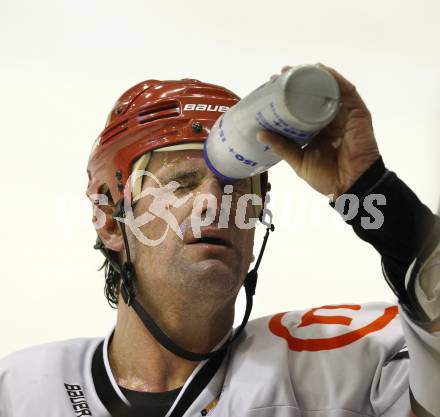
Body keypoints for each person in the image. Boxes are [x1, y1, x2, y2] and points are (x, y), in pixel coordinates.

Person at [0, 65, 439, 417]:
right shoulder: (19, 389)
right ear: (111, 223)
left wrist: (370, 190)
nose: (213, 202)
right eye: (181, 184)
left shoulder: (331, 370)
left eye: (235, 188)